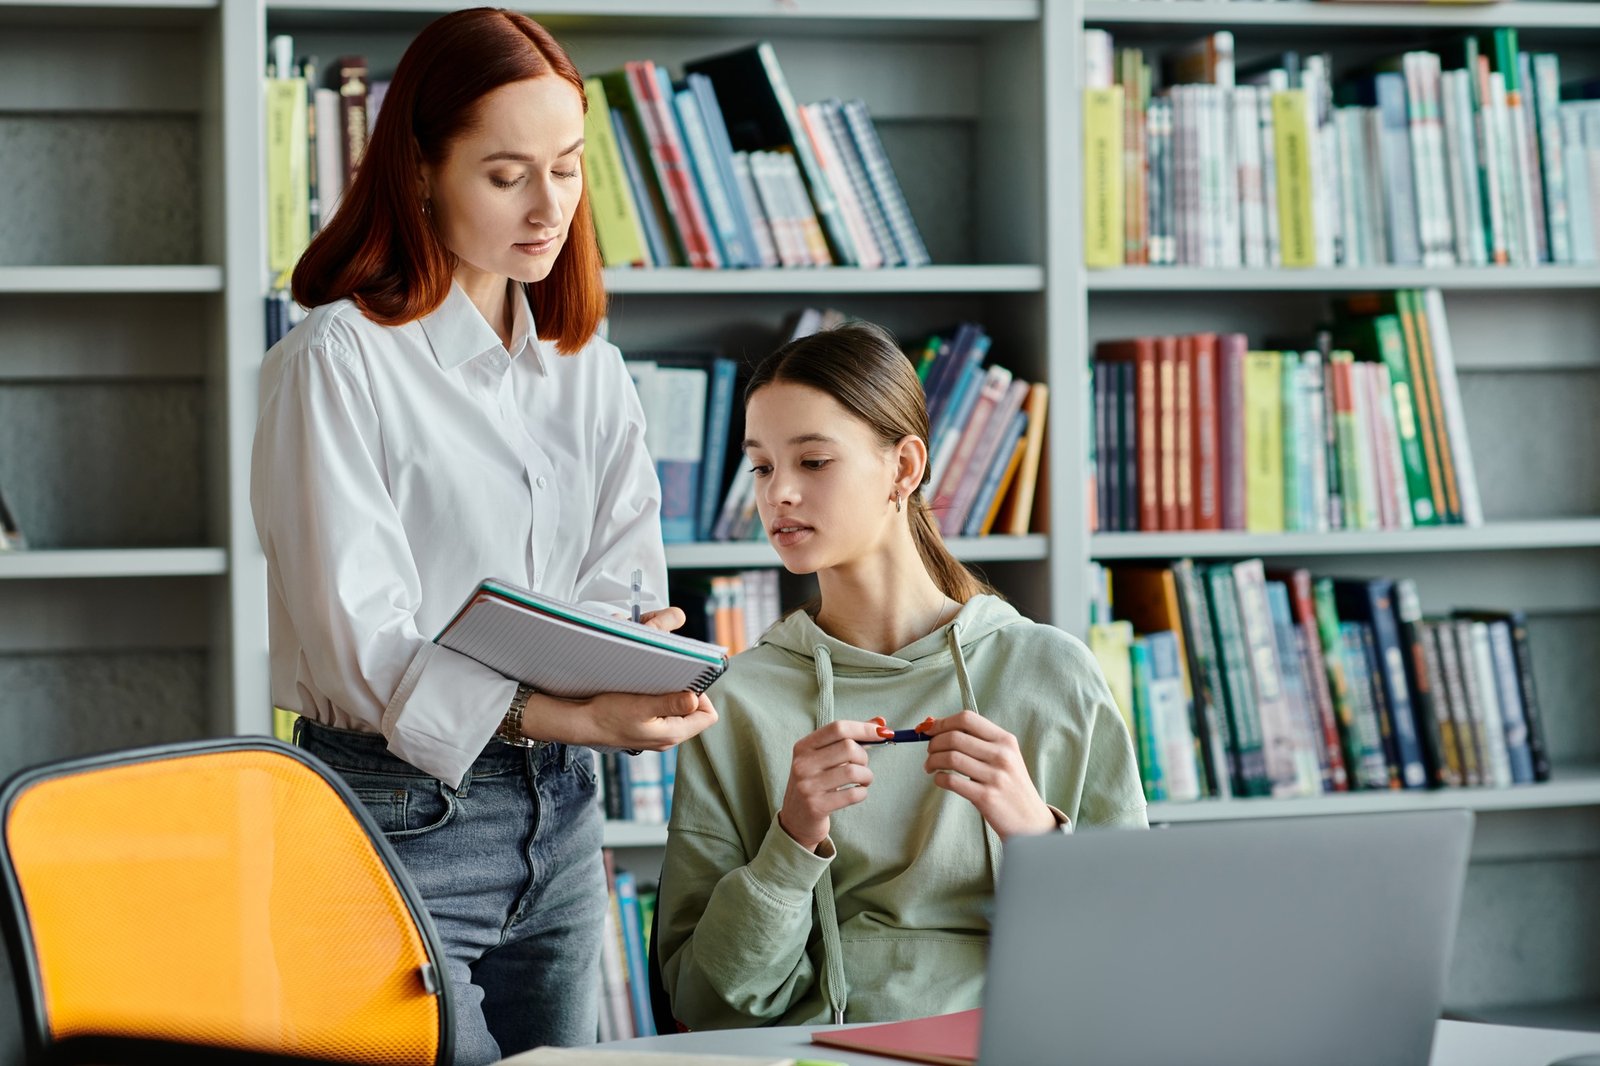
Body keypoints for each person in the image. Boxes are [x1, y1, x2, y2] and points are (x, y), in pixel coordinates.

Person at [248, 9, 716, 1063]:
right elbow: (360, 648)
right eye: (507, 176)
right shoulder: (336, 361)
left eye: (569, 167)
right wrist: (572, 708)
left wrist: (633, 655)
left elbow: (621, 575)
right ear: (419, 171)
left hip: (563, 814)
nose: (549, 207)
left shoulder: (586, 364)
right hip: (391, 813)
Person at [656, 322, 1147, 1030]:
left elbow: (1134, 954)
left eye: (813, 461)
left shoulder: (1051, 672)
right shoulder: (733, 702)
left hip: (1015, 1047)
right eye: (761, 467)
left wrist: (1037, 837)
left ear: (904, 467)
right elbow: (704, 1003)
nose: (779, 493)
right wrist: (791, 841)